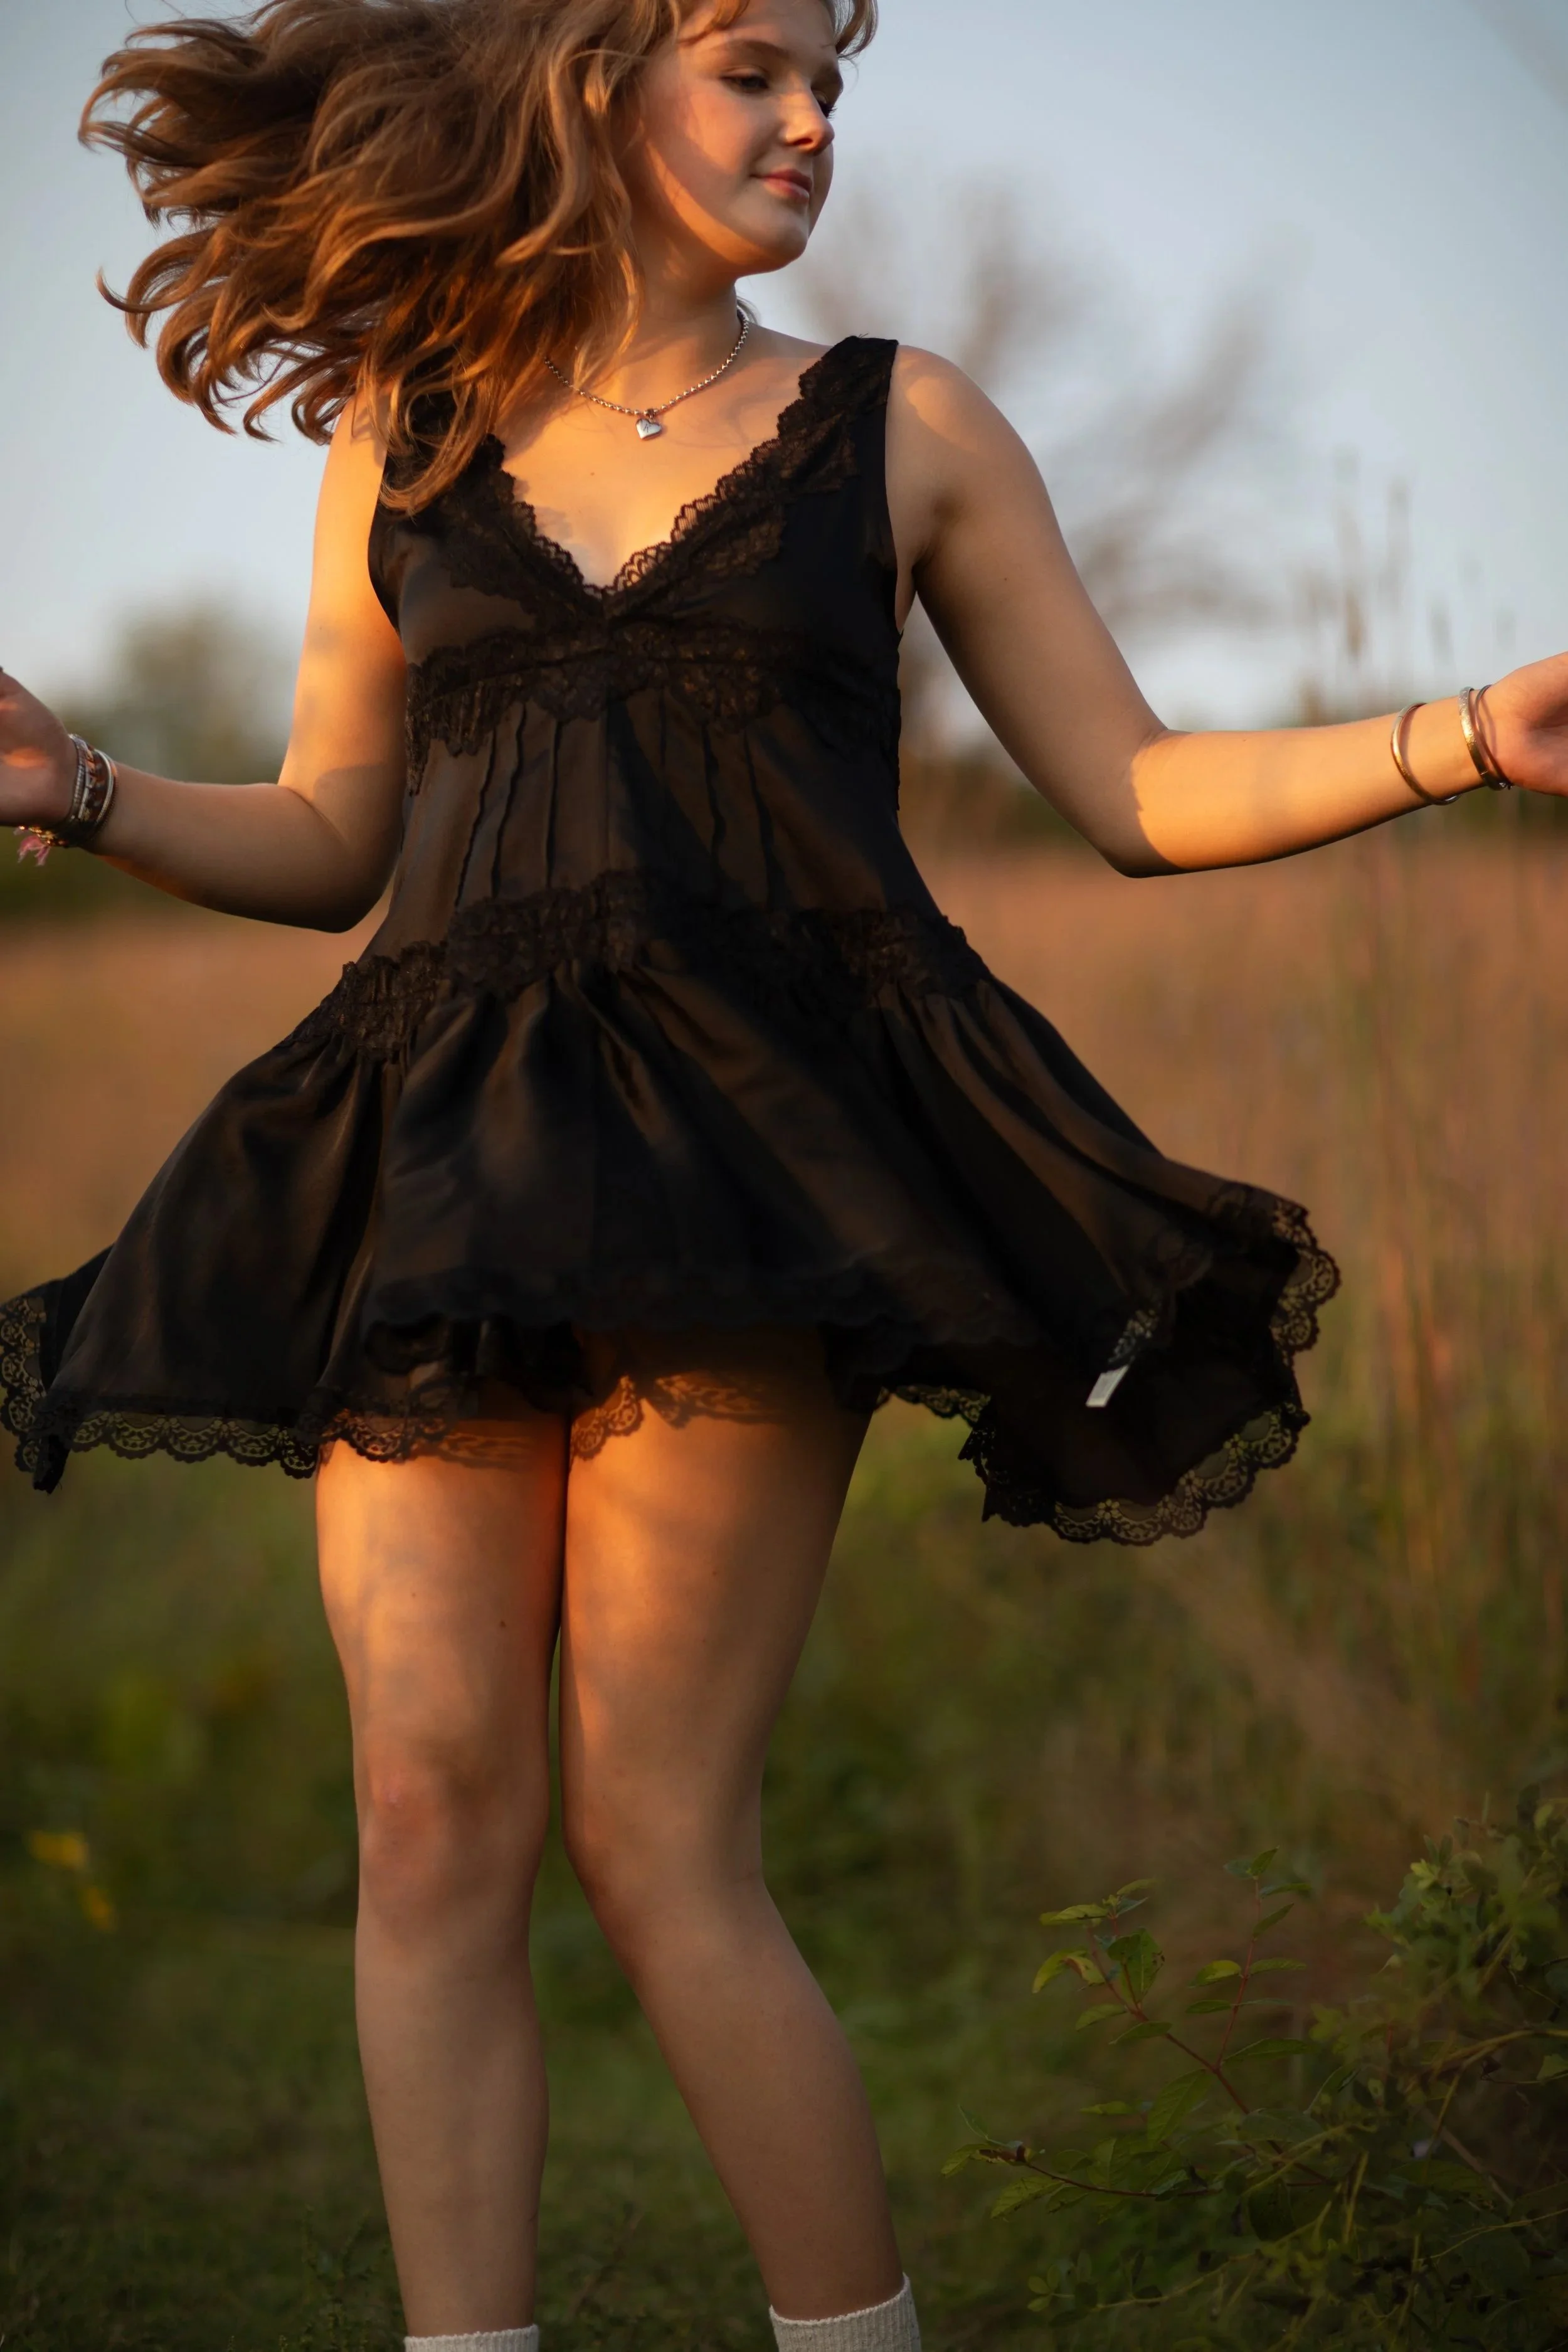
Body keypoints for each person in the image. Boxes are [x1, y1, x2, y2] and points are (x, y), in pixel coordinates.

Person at [2, 1, 1565, 2344]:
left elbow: (1129, 789)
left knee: (652, 1835)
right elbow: (338, 838)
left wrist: (1461, 733)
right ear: (586, 75)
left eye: (831, 75)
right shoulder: (400, 423)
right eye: (756, 65)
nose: (815, 119)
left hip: (758, 1178)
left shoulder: (900, 425)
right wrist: (91, 786)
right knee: (430, 1804)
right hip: (438, 1158)